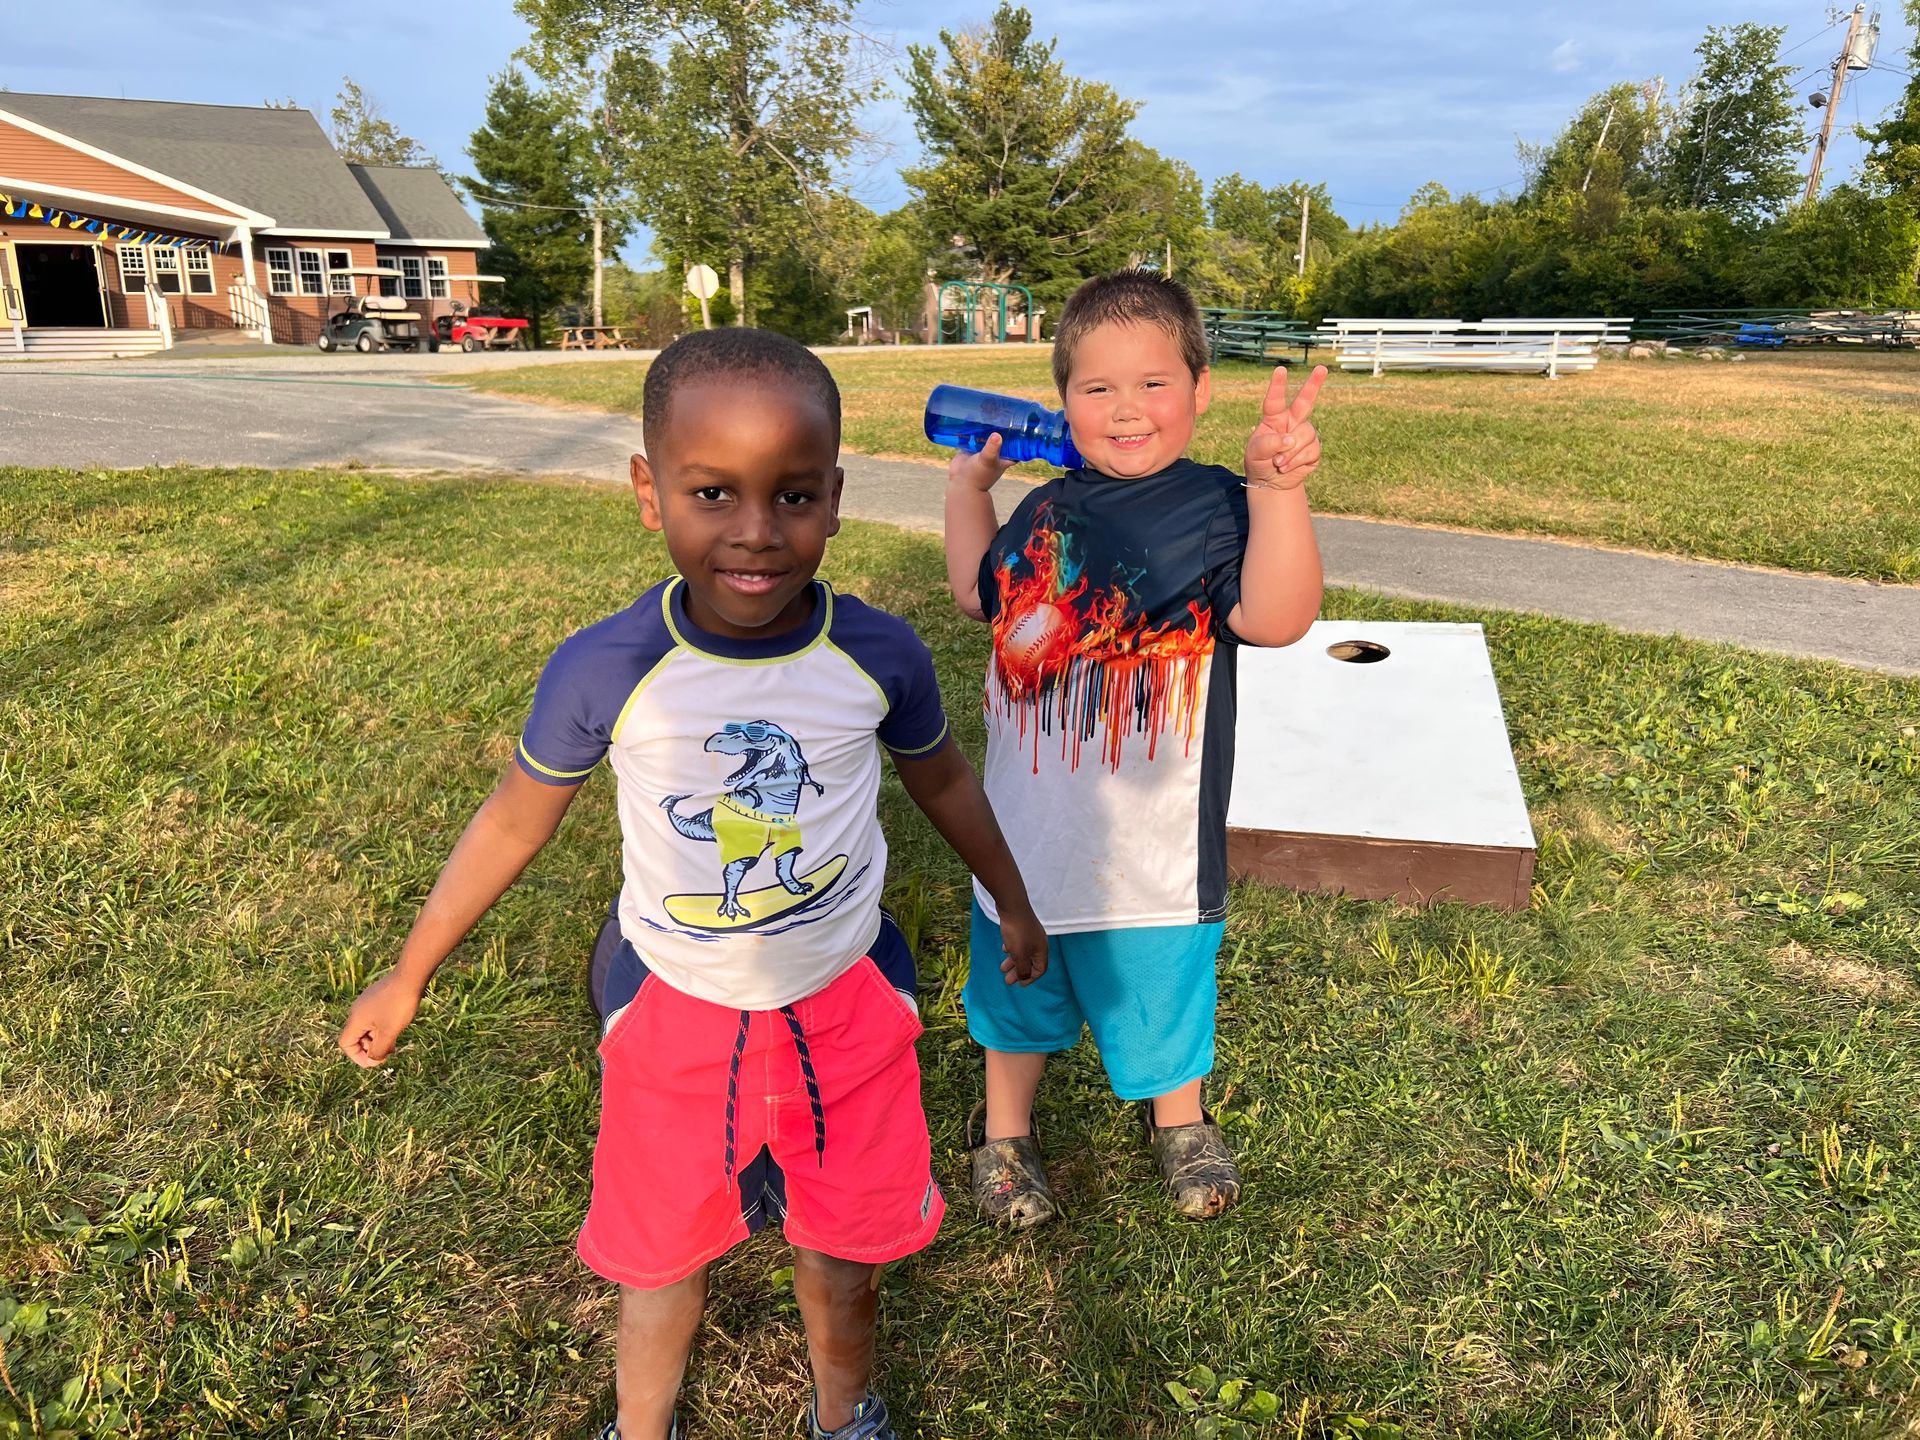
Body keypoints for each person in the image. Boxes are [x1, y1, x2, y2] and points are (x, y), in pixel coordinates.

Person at [338, 328, 1048, 1440]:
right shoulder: (608, 667)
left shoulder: (881, 656)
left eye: (795, 495)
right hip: (677, 1011)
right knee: (658, 1260)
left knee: (842, 1253)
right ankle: (641, 1426)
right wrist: (409, 973)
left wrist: (1012, 896)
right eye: (713, 492)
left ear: (837, 496)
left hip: (845, 1003)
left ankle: (844, 1414)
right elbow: (514, 821)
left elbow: (945, 781)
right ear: (647, 490)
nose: (757, 533)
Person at [942, 269, 1327, 1226]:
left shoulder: (1217, 507)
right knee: (1016, 994)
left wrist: (1277, 490)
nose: (1126, 410)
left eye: (1154, 383)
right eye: (1097, 389)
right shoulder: (1042, 513)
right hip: (1026, 838)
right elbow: (975, 595)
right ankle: (1005, 1133)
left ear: (1200, 389)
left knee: (1162, 990)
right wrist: (967, 491)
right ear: (1063, 401)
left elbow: (1277, 618)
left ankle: (1179, 1119)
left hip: (1156, 843)